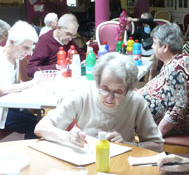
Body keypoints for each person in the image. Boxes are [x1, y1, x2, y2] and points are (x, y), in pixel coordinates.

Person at [34, 52, 164, 152]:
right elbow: (41, 128)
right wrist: (68, 137)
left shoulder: (135, 101)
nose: (110, 98)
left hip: (122, 163)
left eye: (118, 92)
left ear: (128, 90)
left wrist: (128, 144)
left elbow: (157, 145)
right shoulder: (82, 95)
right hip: (85, 159)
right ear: (97, 83)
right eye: (104, 89)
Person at [138, 23, 189, 137]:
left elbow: (178, 107)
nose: (152, 46)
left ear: (165, 47)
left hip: (181, 124)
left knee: (121, 113)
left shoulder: (176, 69)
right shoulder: (181, 58)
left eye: (155, 43)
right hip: (181, 118)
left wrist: (158, 133)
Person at [0, 21, 40, 139]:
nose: (28, 53)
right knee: (36, 126)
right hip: (2, 111)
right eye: (25, 48)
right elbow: (2, 89)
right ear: (12, 42)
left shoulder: (16, 58)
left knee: (40, 122)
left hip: (8, 108)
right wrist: (31, 84)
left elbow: (16, 85)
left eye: (30, 48)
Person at [26, 13, 85, 77]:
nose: (70, 38)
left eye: (73, 35)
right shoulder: (45, 41)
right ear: (58, 28)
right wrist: (56, 67)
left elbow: (82, 57)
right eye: (68, 34)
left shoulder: (68, 40)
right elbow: (30, 69)